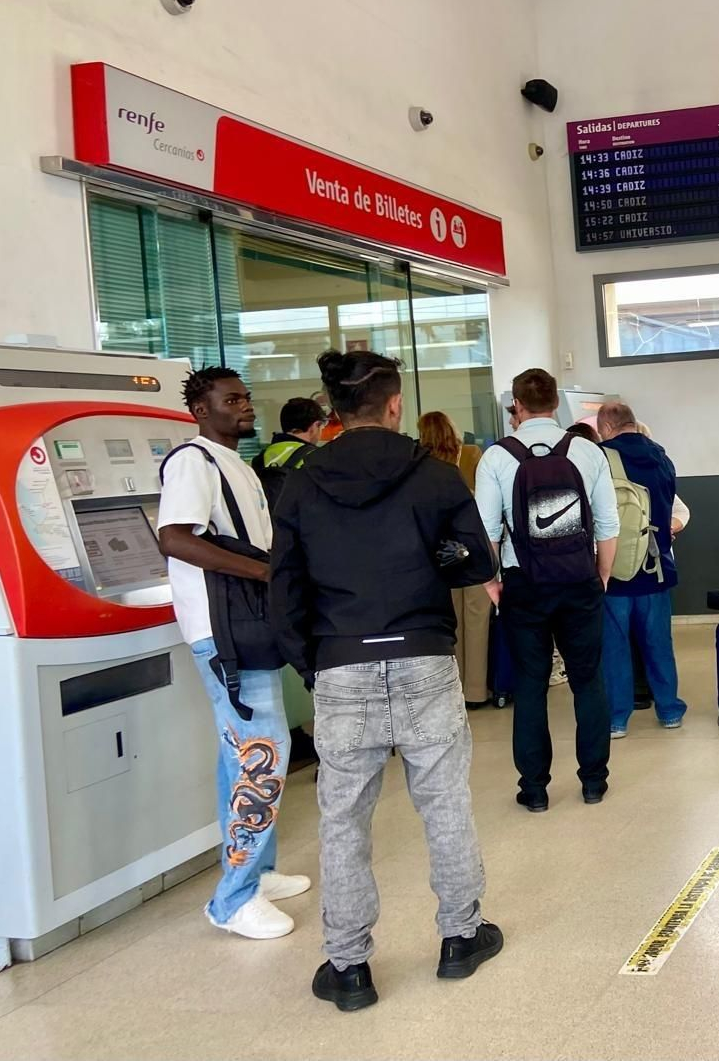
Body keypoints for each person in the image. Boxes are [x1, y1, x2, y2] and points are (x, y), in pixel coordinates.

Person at [272, 350, 502, 1011]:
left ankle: (349, 969)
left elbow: (283, 586)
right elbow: (476, 560)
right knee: (445, 806)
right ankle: (460, 936)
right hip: (424, 654)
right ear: (394, 404)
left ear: (334, 413)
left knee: (342, 821)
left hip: (340, 662)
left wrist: (312, 664)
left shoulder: (302, 482)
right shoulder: (433, 476)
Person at [155, 367, 310, 940]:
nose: (244, 407)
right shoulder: (192, 462)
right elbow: (175, 537)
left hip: (248, 626)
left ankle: (255, 870)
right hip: (221, 632)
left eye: (246, 398)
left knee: (240, 754)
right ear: (201, 410)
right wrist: (264, 571)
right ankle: (232, 899)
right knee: (262, 749)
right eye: (231, 400)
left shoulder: (236, 464)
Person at [476, 368, 619, 812]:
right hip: (579, 582)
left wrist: (492, 584)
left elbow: (486, 532)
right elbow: (610, 524)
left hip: (524, 586)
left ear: (516, 405)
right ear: (556, 403)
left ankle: (534, 789)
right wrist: (602, 576)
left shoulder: (497, 457)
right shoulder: (587, 451)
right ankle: (594, 781)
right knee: (588, 680)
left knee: (531, 685)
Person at [595, 402, 687, 736]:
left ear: (606, 427)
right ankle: (670, 710)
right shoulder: (662, 456)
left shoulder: (600, 458)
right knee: (658, 642)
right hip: (657, 565)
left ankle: (617, 719)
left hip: (615, 569)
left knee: (616, 646)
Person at [419, 411, 494, 710]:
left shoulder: (421, 466)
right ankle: (476, 690)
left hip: (440, 553)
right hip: (473, 546)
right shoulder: (473, 455)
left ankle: (454, 687)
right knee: (477, 617)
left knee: (451, 621)